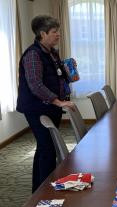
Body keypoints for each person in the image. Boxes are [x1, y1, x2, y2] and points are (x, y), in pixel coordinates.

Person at [16, 15, 75, 193]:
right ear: (43, 33)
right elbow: (35, 84)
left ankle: (39, 189)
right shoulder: (33, 54)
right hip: (37, 108)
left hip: (50, 107)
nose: (58, 35)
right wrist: (58, 101)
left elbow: (60, 78)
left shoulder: (51, 52)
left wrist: (67, 70)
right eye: (54, 32)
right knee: (48, 149)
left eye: (58, 31)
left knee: (45, 148)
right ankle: (45, 193)